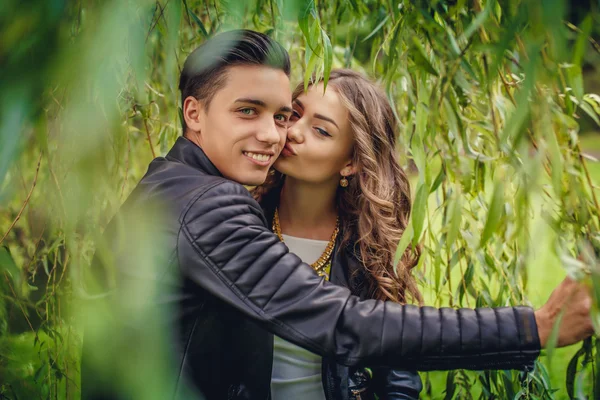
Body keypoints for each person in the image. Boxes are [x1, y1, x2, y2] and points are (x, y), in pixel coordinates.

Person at [81, 29, 594, 400]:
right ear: (194, 113)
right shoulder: (212, 206)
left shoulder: (171, 183)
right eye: (247, 111)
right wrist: (535, 327)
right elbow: (348, 324)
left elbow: (386, 360)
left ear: (351, 161)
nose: (275, 134)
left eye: (280, 115)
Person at [252, 69, 425, 399]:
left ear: (350, 163)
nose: (295, 132)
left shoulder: (368, 249)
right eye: (294, 113)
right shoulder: (239, 223)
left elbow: (399, 372)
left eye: (320, 130)